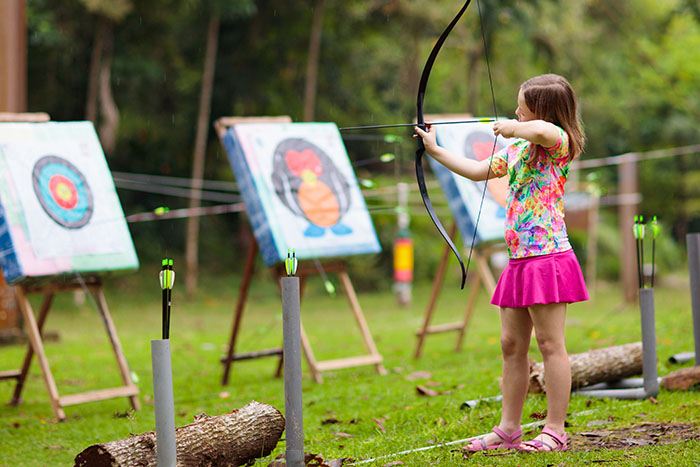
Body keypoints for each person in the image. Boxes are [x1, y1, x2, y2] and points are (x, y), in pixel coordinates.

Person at [415, 73, 589, 453]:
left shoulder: (559, 143)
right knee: (511, 344)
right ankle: (509, 429)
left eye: (520, 107)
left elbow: (544, 131)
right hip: (519, 260)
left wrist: (513, 127)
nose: (514, 112)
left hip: (546, 257)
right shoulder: (515, 152)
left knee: (549, 343)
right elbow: (477, 170)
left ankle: (554, 430)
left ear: (541, 111)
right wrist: (434, 149)